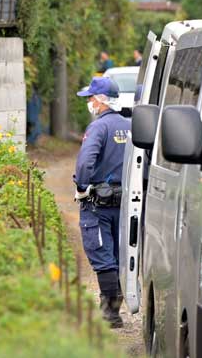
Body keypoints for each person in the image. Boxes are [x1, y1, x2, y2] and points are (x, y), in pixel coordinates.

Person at [73, 76, 131, 328]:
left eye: (90, 98)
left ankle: (110, 313)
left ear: (100, 100)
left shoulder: (98, 127)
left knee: (102, 255)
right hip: (126, 201)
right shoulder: (130, 125)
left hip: (98, 203)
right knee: (118, 254)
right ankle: (111, 306)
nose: (89, 103)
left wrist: (81, 186)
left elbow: (86, 161)